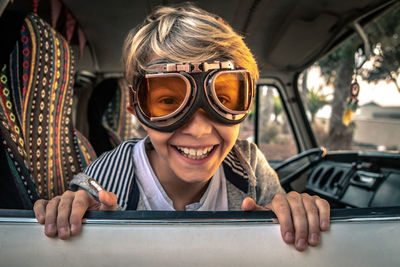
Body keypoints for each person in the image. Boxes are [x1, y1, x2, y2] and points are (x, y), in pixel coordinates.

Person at [33, 3, 330, 252]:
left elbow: (284, 224)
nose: (199, 130)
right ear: (136, 109)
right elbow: (70, 223)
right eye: (168, 101)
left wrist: (292, 211)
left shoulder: (249, 165)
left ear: (246, 102)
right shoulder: (103, 182)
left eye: (223, 98)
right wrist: (86, 225)